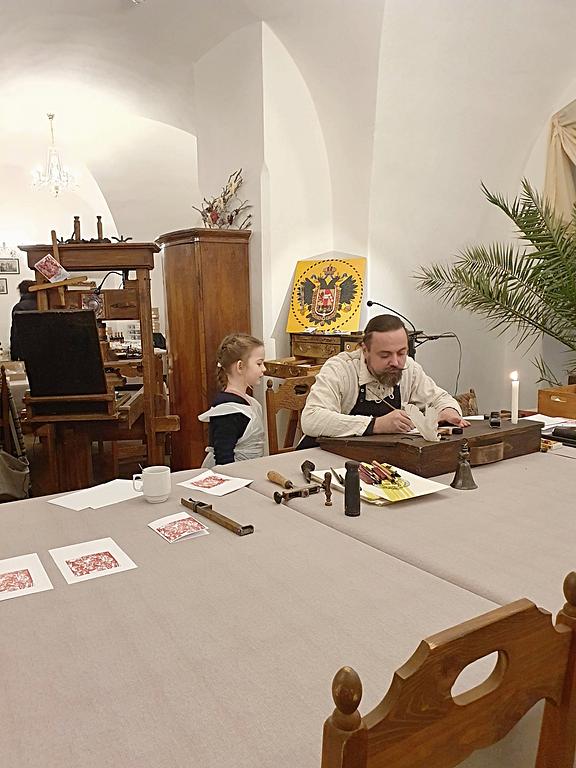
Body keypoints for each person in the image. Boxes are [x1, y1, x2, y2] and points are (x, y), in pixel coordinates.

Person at [299, 314, 468, 444]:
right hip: (323, 457)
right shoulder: (340, 369)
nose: (395, 362)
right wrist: (376, 425)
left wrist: (448, 411)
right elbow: (311, 419)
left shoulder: (409, 368)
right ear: (365, 350)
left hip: (376, 460)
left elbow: (440, 398)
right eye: (385, 355)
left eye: (401, 353)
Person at [198, 333, 266, 467]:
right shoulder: (228, 411)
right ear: (240, 366)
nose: (264, 368)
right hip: (233, 474)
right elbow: (224, 461)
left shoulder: (252, 403)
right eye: (259, 363)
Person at [10, 280, 37, 361]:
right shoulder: (46, 303)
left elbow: (16, 332)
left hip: (26, 350)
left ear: (21, 292)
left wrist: (14, 355)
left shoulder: (20, 307)